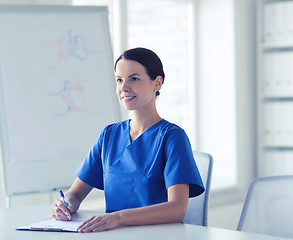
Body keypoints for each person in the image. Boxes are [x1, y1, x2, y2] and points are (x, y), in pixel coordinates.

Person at [51, 47, 204, 233]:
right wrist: (65, 204)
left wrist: (118, 218)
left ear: (157, 83)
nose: (124, 87)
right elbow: (75, 193)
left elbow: (177, 209)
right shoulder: (109, 135)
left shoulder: (172, 137)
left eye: (134, 78)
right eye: (119, 80)